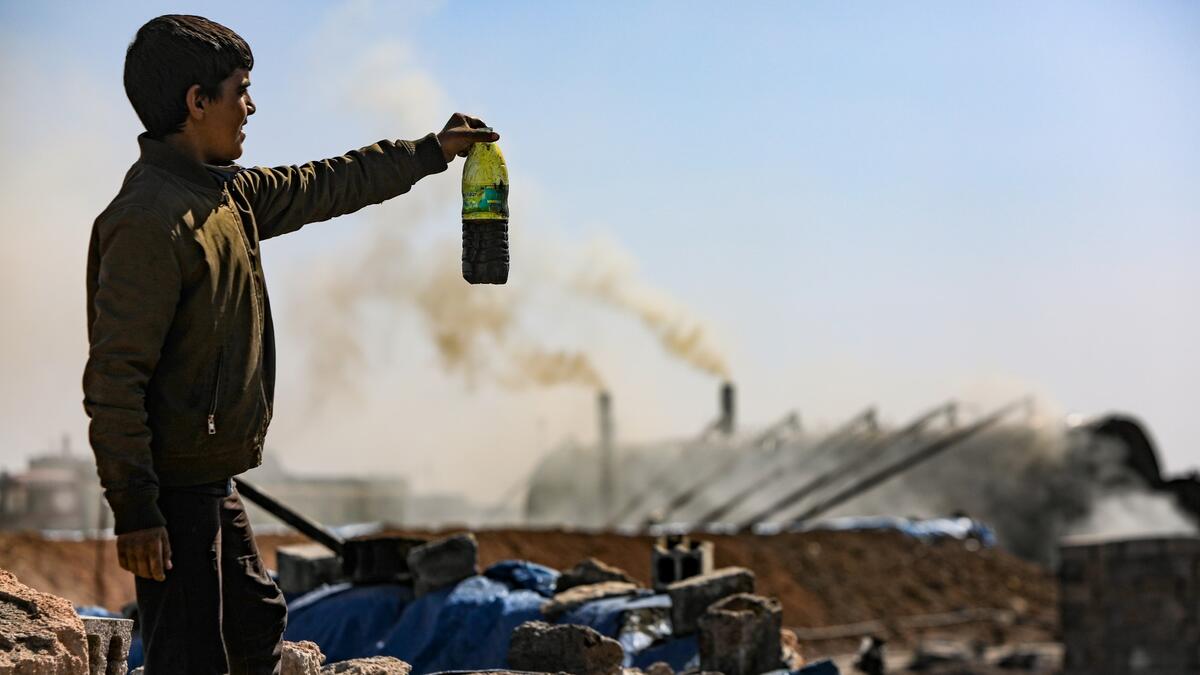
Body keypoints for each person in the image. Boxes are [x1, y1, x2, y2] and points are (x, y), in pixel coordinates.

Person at [81, 14, 498, 674]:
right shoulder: (149, 220)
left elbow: (327, 182)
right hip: (173, 494)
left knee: (254, 625)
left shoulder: (230, 194)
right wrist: (137, 511)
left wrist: (430, 151)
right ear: (197, 102)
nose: (251, 106)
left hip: (211, 481)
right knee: (191, 657)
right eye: (240, 89)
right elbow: (115, 379)